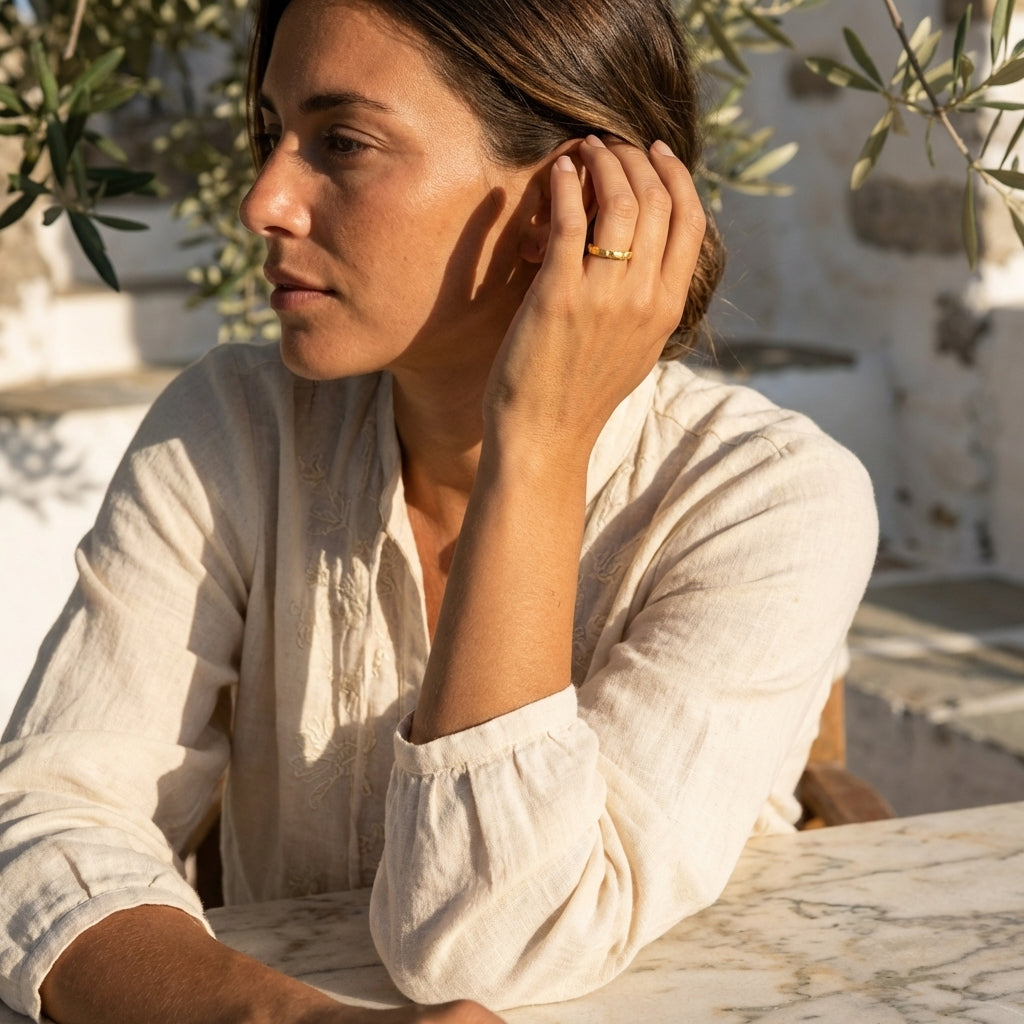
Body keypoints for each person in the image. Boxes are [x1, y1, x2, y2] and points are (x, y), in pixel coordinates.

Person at [0, 0, 879, 1020]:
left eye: (344, 142)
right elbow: (41, 821)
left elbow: (485, 945)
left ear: (575, 194)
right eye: (268, 133)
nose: (264, 200)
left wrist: (536, 446)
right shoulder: (236, 427)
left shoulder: (766, 502)